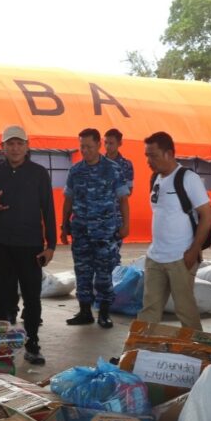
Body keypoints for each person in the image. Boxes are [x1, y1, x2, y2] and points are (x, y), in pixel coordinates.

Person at [0, 125, 56, 365]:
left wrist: (51, 244)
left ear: (27, 146)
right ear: (2, 147)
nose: (15, 148)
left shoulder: (39, 173)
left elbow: (48, 210)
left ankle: (32, 343)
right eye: (10, 144)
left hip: (30, 245)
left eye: (19, 143)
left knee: (32, 297)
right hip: (0, 244)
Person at [137, 131, 211, 329]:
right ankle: (139, 350)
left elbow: (207, 216)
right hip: (155, 257)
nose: (148, 160)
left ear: (169, 154)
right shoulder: (155, 178)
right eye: (146, 155)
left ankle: (198, 352)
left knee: (185, 310)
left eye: (153, 155)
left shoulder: (188, 178)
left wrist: (193, 251)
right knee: (149, 310)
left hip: (181, 257)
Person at [61, 128, 129, 329]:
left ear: (99, 145)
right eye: (82, 147)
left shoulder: (113, 169)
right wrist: (64, 226)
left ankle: (104, 313)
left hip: (105, 232)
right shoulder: (75, 170)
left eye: (89, 147)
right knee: (82, 272)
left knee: (104, 273)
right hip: (81, 231)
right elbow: (68, 199)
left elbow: (123, 199)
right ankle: (84, 312)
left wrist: (126, 225)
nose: (85, 151)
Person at [104, 128, 135, 264]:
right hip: (98, 217)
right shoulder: (96, 162)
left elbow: (128, 191)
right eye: (106, 143)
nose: (108, 146)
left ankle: (114, 282)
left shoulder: (126, 165)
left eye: (111, 143)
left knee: (114, 253)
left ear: (119, 143)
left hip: (116, 217)